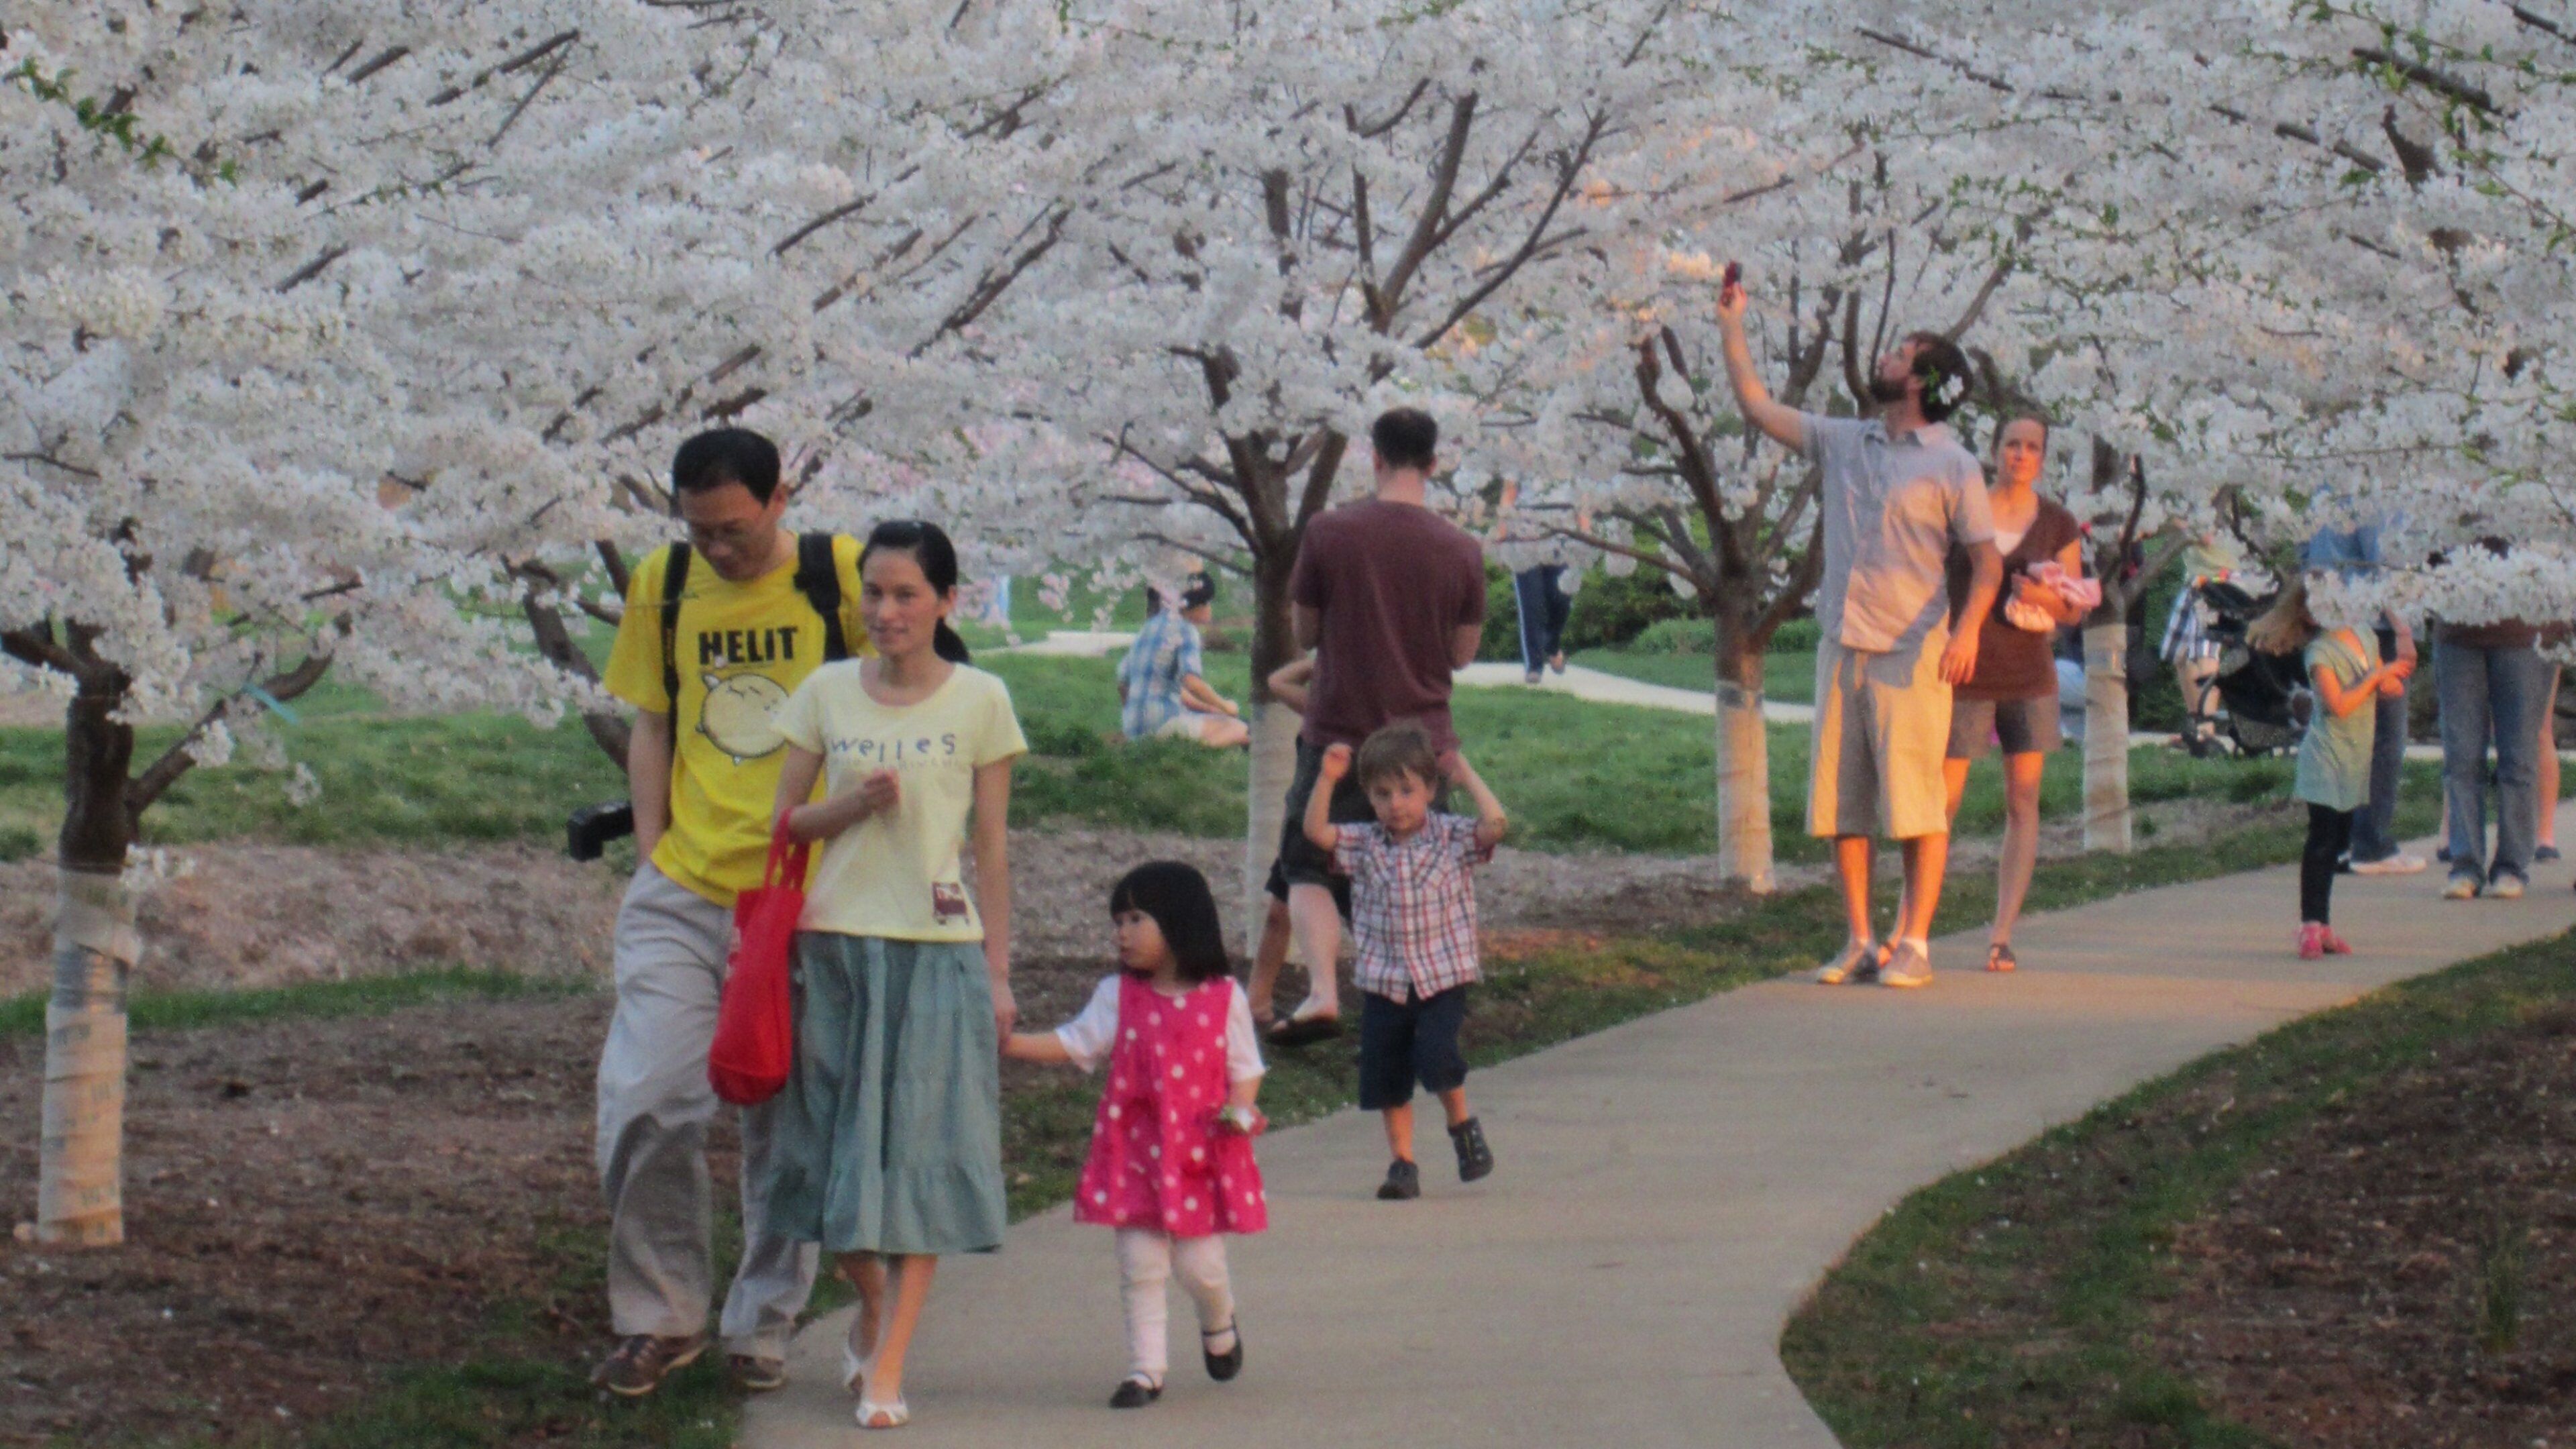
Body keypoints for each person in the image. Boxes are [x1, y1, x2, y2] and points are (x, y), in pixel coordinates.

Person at [590, 427, 867, 1397]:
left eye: (737, 531)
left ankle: (764, 1319)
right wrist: (653, 851)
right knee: (648, 1098)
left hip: (805, 894)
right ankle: (658, 1317)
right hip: (687, 886)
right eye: (700, 531)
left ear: (781, 497)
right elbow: (654, 721)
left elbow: (905, 706)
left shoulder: (843, 578)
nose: (719, 550)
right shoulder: (664, 584)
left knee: (784, 1121)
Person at [766, 520, 1027, 1431]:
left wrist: (997, 973)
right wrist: (850, 806)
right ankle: (869, 1301)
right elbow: (785, 826)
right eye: (874, 594)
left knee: (920, 1161)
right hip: (832, 948)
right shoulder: (827, 690)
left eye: (908, 594)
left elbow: (990, 850)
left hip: (940, 954)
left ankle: (889, 1367)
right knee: (825, 1164)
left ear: (947, 601)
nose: (887, 611)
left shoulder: (983, 698)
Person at [1715, 270, 2002, 989]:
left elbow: (1987, 562)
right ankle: (1860, 940)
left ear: (1921, 381)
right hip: (1841, 644)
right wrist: (1731, 326)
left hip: (1914, 652)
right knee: (1845, 804)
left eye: (1901, 354)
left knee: (1915, 803)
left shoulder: (1954, 464)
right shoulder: (1843, 440)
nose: (1885, 358)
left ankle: (1917, 944)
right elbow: (1755, 406)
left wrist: (1966, 632)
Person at [1003, 862, 1266, 1409]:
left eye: (1136, 919)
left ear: (1180, 922)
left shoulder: (1223, 997)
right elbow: (1077, 1042)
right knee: (1140, 1262)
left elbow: (1246, 1067)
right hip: (1134, 1154)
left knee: (1200, 1266)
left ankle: (1218, 1319)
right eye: (1118, 920)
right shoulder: (1117, 994)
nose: (1122, 932)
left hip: (1198, 1153)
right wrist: (1011, 1044)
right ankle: (1145, 1371)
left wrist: (1240, 1110)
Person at [1264, 407, 1487, 1044]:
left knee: (1309, 864)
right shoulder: (1462, 551)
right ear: (1435, 464)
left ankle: (1324, 993)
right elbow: (1462, 654)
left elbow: (1305, 631)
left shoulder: (1329, 533)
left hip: (1337, 731)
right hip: (1422, 746)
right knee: (1419, 871)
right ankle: (1422, 1000)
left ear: (1376, 458)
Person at [1303, 722, 1507, 1199]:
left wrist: (1468, 775)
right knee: (1386, 1074)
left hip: (1442, 979)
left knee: (1437, 1057)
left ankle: (1462, 1126)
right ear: (1370, 798)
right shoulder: (1364, 844)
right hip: (1384, 983)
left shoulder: (1451, 837)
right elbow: (1316, 831)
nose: (1395, 803)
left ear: (1430, 791)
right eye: (1382, 793)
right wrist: (1327, 778)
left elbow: (1495, 826)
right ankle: (1403, 1164)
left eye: (1407, 791)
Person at [1939, 415, 2090, 973]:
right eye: (2012, 445)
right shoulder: (1963, 507)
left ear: (2043, 458)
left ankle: (2001, 934)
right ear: (1995, 449)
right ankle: (1916, 923)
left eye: (2032, 448)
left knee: (2022, 801)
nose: (2021, 456)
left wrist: (2044, 599)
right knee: (1943, 803)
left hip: (2029, 677)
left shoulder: (2057, 523)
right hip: (1965, 674)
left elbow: (2073, 608)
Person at [2251, 578, 2412, 956]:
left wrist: (2392, 679)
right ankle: (2310, 924)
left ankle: (2323, 924)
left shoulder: (2365, 637)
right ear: (2311, 615)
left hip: (2355, 759)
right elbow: (2337, 705)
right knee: (2322, 840)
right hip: (2326, 758)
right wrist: (2375, 677)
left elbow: (2383, 687)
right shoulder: (2320, 654)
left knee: (2341, 841)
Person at [2303, 513, 2424, 876]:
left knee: (2344, 733)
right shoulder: (2373, 487)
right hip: (2374, 624)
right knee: (2386, 736)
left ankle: (2339, 841)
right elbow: (2382, 562)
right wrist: (2403, 627)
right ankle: (2371, 843)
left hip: (2333, 620)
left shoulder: (2326, 486)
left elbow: (2306, 550)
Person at [1118, 573, 1249, 748]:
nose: (1210, 609)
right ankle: (1195, 751)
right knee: (1241, 729)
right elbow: (1192, 683)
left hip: (1132, 727)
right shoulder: (1186, 631)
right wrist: (1227, 707)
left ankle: (1163, 747)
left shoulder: (1148, 628)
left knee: (1206, 719)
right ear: (1196, 606)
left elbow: (1123, 683)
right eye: (1208, 603)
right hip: (1164, 722)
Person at [2160, 529, 2244, 753]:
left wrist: (2176, 520)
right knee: (2179, 652)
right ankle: (2195, 724)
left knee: (2204, 652)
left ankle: (2206, 732)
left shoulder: (2211, 498)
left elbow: (2205, 534)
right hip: (2196, 578)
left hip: (2218, 579)